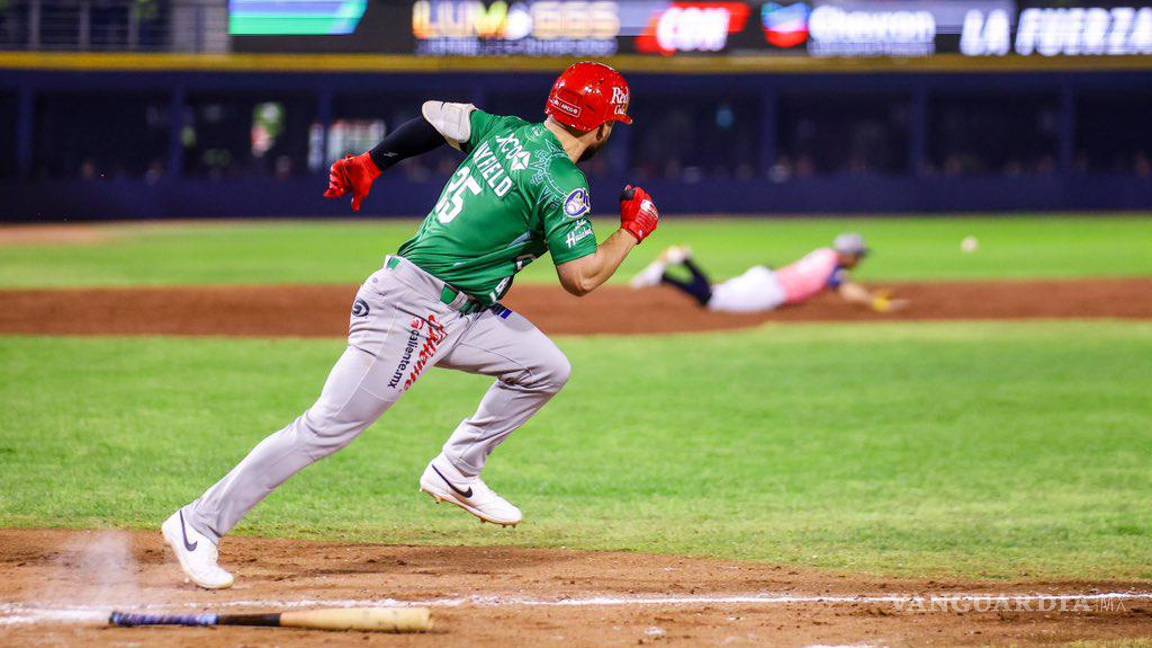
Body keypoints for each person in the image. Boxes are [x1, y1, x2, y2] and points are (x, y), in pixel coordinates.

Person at [162, 62, 660, 589]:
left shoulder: (508, 130)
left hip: (461, 311)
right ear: (602, 125)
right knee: (323, 428)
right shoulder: (561, 179)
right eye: (613, 123)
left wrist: (375, 161)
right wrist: (632, 231)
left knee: (545, 368)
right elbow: (580, 279)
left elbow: (433, 117)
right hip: (412, 311)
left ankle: (458, 469)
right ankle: (198, 522)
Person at [630, 233, 906, 313]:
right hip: (769, 290)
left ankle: (678, 264)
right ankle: (672, 270)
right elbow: (847, 291)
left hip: (767, 279)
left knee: (714, 294)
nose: (860, 260)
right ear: (848, 255)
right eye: (858, 255)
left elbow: (842, 283)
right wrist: (877, 303)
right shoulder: (833, 267)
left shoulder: (826, 254)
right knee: (712, 300)